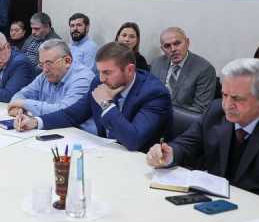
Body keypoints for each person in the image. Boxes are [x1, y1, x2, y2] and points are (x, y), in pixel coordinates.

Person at [15, 42, 172, 152]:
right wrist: (36, 122)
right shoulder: (99, 81)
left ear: (129, 70)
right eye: (100, 71)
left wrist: (106, 104)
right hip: (105, 152)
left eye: (107, 72)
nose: (101, 78)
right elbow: (72, 114)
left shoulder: (154, 94)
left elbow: (133, 140)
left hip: (139, 162)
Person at [147, 58, 259, 197]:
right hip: (213, 200)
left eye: (237, 98)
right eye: (224, 95)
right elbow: (186, 144)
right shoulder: (215, 111)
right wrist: (168, 154)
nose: (227, 105)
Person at [9, 39, 96, 134]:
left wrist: (24, 104)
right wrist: (20, 111)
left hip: (79, 135)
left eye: (49, 63)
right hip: (52, 130)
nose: (45, 70)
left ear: (67, 61)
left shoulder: (82, 79)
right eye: (41, 64)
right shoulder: (45, 75)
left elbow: (64, 113)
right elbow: (20, 95)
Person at [150, 27, 217, 113]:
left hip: (183, 119)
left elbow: (200, 109)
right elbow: (151, 94)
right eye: (167, 46)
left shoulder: (204, 69)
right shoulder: (156, 63)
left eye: (177, 43)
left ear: (187, 43)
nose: (173, 49)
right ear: (162, 49)